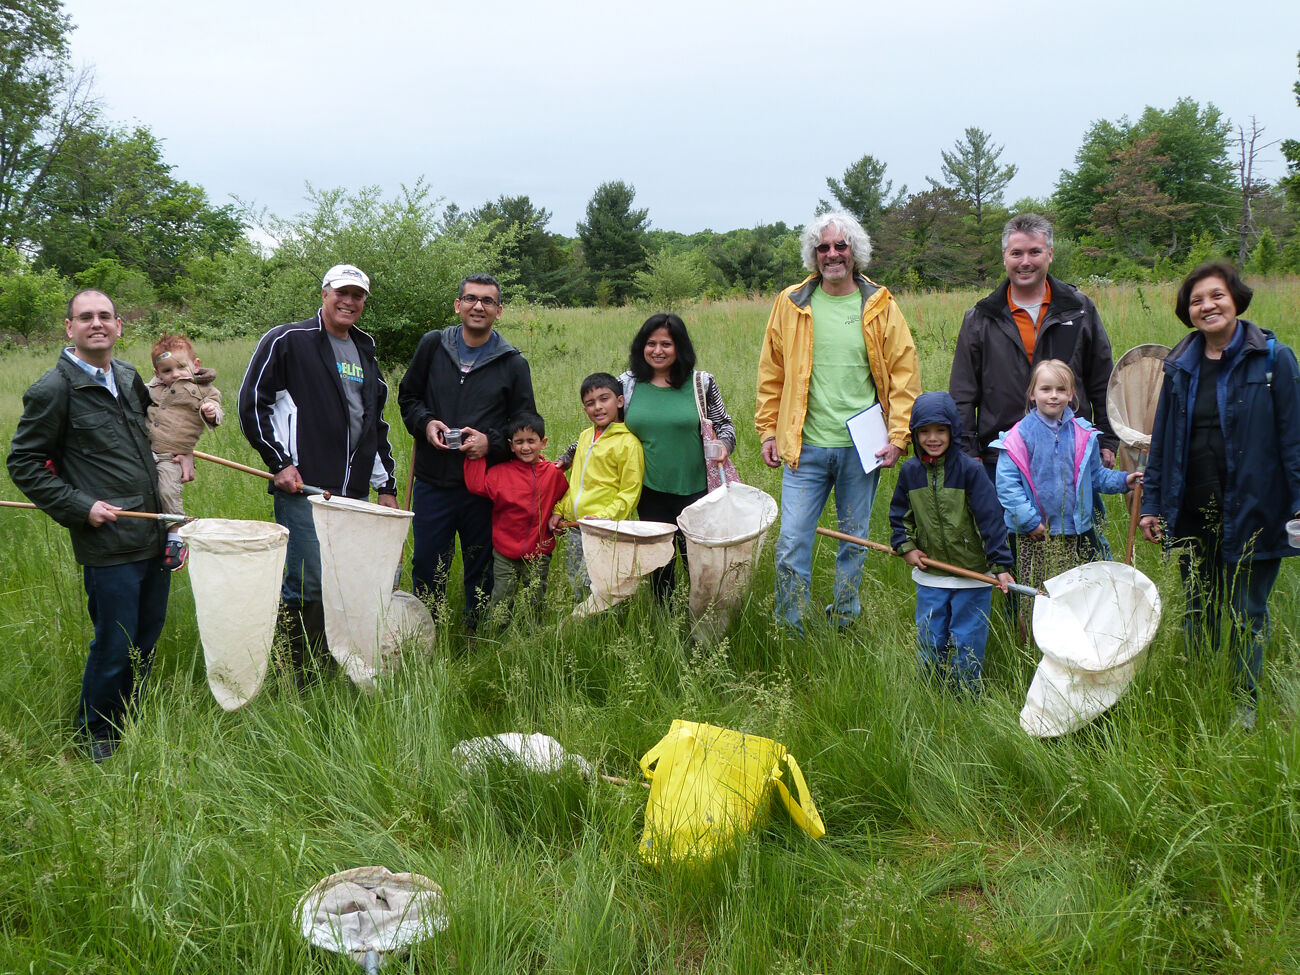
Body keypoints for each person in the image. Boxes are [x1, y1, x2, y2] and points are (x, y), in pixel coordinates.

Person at [8, 289, 170, 761]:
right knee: (115, 644)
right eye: (85, 317)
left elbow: (149, 438)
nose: (96, 323)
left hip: (152, 527)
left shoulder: (128, 375)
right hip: (108, 540)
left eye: (104, 316)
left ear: (119, 325)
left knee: (145, 639)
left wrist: (180, 455)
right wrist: (80, 507)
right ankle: (96, 735)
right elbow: (24, 463)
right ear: (70, 328)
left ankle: (131, 718)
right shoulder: (53, 389)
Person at [1139, 262, 1300, 726]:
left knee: (1248, 612)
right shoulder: (1180, 366)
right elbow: (1163, 440)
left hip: (1256, 510)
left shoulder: (1273, 360)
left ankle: (1242, 705)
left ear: (1236, 300)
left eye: (1216, 295)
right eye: (1196, 300)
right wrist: (1153, 504)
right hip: (1192, 511)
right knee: (1198, 608)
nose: (1207, 306)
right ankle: (1201, 694)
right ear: (1187, 312)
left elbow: (1294, 439)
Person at [755, 209, 921, 632]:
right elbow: (772, 371)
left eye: (840, 246)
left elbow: (904, 374)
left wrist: (899, 437)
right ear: (814, 255)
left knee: (854, 542)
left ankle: (844, 620)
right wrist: (769, 430)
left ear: (854, 251)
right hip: (803, 448)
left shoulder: (880, 304)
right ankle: (790, 626)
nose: (832, 254)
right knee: (792, 542)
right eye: (823, 247)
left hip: (862, 450)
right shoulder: (791, 303)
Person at [237, 264, 398, 672]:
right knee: (308, 581)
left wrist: (386, 486)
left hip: (353, 494)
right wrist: (279, 463)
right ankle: (296, 674)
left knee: (342, 582)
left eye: (357, 295)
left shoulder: (365, 351)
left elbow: (373, 425)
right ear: (325, 293)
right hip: (304, 488)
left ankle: (333, 664)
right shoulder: (289, 340)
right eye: (341, 292)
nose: (349, 301)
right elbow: (252, 402)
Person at [398, 273, 535, 630]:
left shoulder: (513, 363)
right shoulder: (433, 345)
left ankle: (476, 636)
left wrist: (491, 443)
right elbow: (408, 397)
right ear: (458, 305)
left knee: (482, 566)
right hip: (432, 481)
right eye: (471, 298)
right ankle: (426, 635)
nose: (479, 306)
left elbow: (528, 424)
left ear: (499, 311)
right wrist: (426, 423)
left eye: (488, 301)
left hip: (485, 487)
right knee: (427, 564)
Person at [950, 213, 1119, 481]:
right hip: (1002, 457)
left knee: (1075, 512)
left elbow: (1103, 379)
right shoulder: (980, 318)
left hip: (1071, 452)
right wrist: (968, 451)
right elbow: (963, 392)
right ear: (1004, 257)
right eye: (1016, 253)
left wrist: (1107, 438)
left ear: (1050, 254)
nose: (1025, 262)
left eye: (1035, 252)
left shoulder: (1079, 309)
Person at [888, 392, 1013, 691]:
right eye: (924, 431)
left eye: (940, 430)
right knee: (931, 636)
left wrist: (1000, 565)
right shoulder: (910, 472)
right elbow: (899, 516)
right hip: (931, 574)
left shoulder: (971, 470)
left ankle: (965, 692)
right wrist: (906, 547)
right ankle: (931, 691)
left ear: (953, 431)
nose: (932, 438)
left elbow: (991, 520)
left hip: (972, 575)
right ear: (915, 434)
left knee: (966, 637)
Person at [993, 360, 1138, 594]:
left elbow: (1095, 476)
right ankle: (1029, 621)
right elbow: (1008, 486)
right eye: (1046, 389)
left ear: (1071, 394)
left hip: (1072, 531)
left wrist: (1123, 481)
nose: (1053, 395)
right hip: (1032, 534)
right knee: (1035, 595)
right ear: (1032, 394)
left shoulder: (1083, 434)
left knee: (1070, 594)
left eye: (1061, 389)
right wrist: (1030, 522)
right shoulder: (1018, 437)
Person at [619, 313, 735, 603]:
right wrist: (569, 456)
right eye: (651, 343)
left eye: (666, 344)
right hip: (648, 491)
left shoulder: (701, 383)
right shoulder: (626, 384)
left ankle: (701, 619)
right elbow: (604, 428)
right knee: (659, 567)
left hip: (697, 492)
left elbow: (724, 425)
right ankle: (665, 619)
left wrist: (724, 444)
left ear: (679, 347)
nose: (657, 350)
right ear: (641, 346)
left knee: (700, 565)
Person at [463, 412, 569, 619]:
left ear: (543, 443)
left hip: (539, 552)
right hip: (505, 553)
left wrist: (559, 515)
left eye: (531, 441)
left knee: (535, 599)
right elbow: (477, 486)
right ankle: (497, 630)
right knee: (501, 598)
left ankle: (533, 631)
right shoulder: (500, 473)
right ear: (511, 445)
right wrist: (474, 454)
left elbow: (567, 498)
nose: (525, 447)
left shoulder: (553, 474)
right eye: (519, 442)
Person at [549, 372, 644, 599]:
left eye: (604, 399)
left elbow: (630, 492)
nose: (598, 407)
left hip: (604, 530)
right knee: (577, 585)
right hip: (574, 529)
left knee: (601, 587)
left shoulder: (628, 443)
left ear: (619, 401)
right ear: (584, 409)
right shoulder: (584, 437)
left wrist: (605, 518)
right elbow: (576, 482)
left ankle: (604, 620)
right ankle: (581, 618)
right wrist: (559, 510)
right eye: (590, 403)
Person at [145, 333, 223, 571]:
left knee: (168, 491)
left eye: (181, 367)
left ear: (195, 365)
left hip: (171, 456)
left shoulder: (204, 391)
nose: (175, 374)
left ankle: (176, 536)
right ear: (158, 373)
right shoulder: (152, 387)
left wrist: (211, 412)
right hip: (144, 452)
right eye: (167, 370)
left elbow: (217, 410)